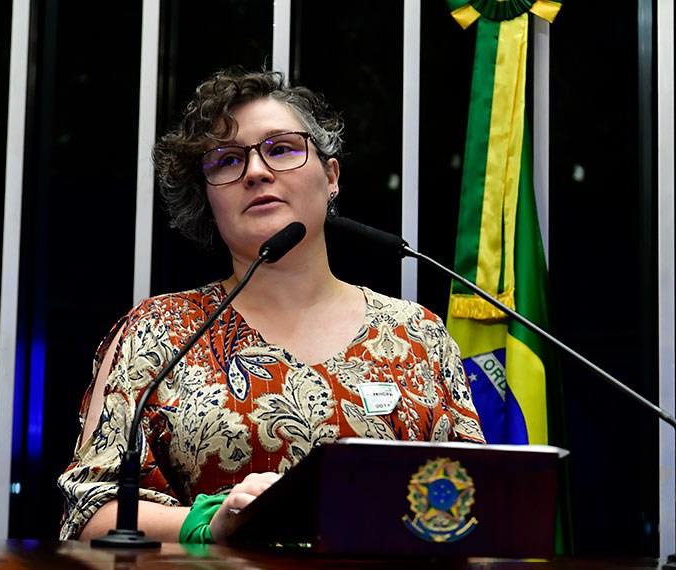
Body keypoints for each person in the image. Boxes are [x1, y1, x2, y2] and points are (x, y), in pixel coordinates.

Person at [57, 67, 485, 545]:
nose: (257, 171)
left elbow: (474, 505)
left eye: (281, 149)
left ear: (331, 175)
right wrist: (212, 524)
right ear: (207, 197)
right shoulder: (160, 331)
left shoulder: (419, 336)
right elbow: (88, 514)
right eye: (226, 160)